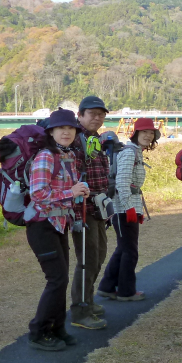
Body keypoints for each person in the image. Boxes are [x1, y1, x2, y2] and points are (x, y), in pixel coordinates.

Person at [26, 109, 90, 351]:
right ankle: (38, 332)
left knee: (60, 279)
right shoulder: (45, 157)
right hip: (42, 225)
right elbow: (38, 194)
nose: (66, 131)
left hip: (59, 223)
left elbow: (66, 189)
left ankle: (57, 328)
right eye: (61, 128)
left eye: (71, 128)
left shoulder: (68, 156)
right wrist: (71, 193)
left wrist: (79, 189)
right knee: (57, 279)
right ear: (51, 132)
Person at [97, 117, 157, 302]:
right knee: (130, 250)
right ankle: (126, 292)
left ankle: (107, 287)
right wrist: (130, 208)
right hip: (123, 208)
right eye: (144, 132)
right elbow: (122, 184)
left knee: (123, 249)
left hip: (127, 206)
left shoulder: (135, 152)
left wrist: (135, 208)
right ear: (136, 133)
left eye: (151, 133)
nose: (148, 135)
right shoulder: (130, 152)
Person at [70, 96, 110, 330]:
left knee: (99, 254)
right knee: (87, 259)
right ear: (81, 115)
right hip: (81, 208)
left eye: (101, 114)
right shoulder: (75, 139)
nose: (97, 118)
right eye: (92, 113)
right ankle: (80, 311)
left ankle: (88, 300)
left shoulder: (94, 139)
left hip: (97, 206)